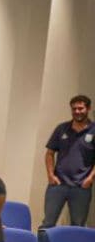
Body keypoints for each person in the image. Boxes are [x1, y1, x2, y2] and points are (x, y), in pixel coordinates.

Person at [42, 94, 94, 228]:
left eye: (80, 108)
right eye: (74, 109)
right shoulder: (61, 129)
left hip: (81, 187)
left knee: (78, 225)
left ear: (88, 109)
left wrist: (90, 178)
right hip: (58, 185)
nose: (77, 111)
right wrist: (50, 175)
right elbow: (49, 153)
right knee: (48, 223)